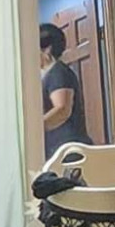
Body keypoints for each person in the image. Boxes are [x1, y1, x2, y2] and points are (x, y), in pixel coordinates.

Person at [39, 21, 89, 154]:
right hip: (58, 148)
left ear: (47, 49)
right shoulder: (48, 74)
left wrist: (34, 129)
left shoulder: (58, 72)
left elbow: (62, 110)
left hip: (67, 148)